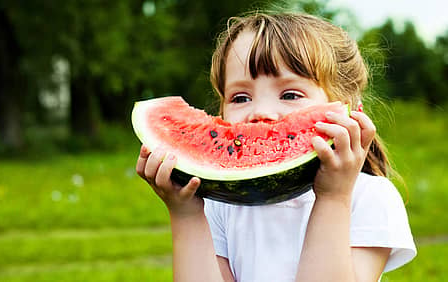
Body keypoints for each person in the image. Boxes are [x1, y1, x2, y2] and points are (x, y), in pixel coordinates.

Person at [136, 11, 416, 282]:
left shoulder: (370, 197)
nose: (262, 112)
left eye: (290, 94)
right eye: (241, 97)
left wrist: (334, 197)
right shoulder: (221, 205)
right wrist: (186, 214)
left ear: (351, 112)